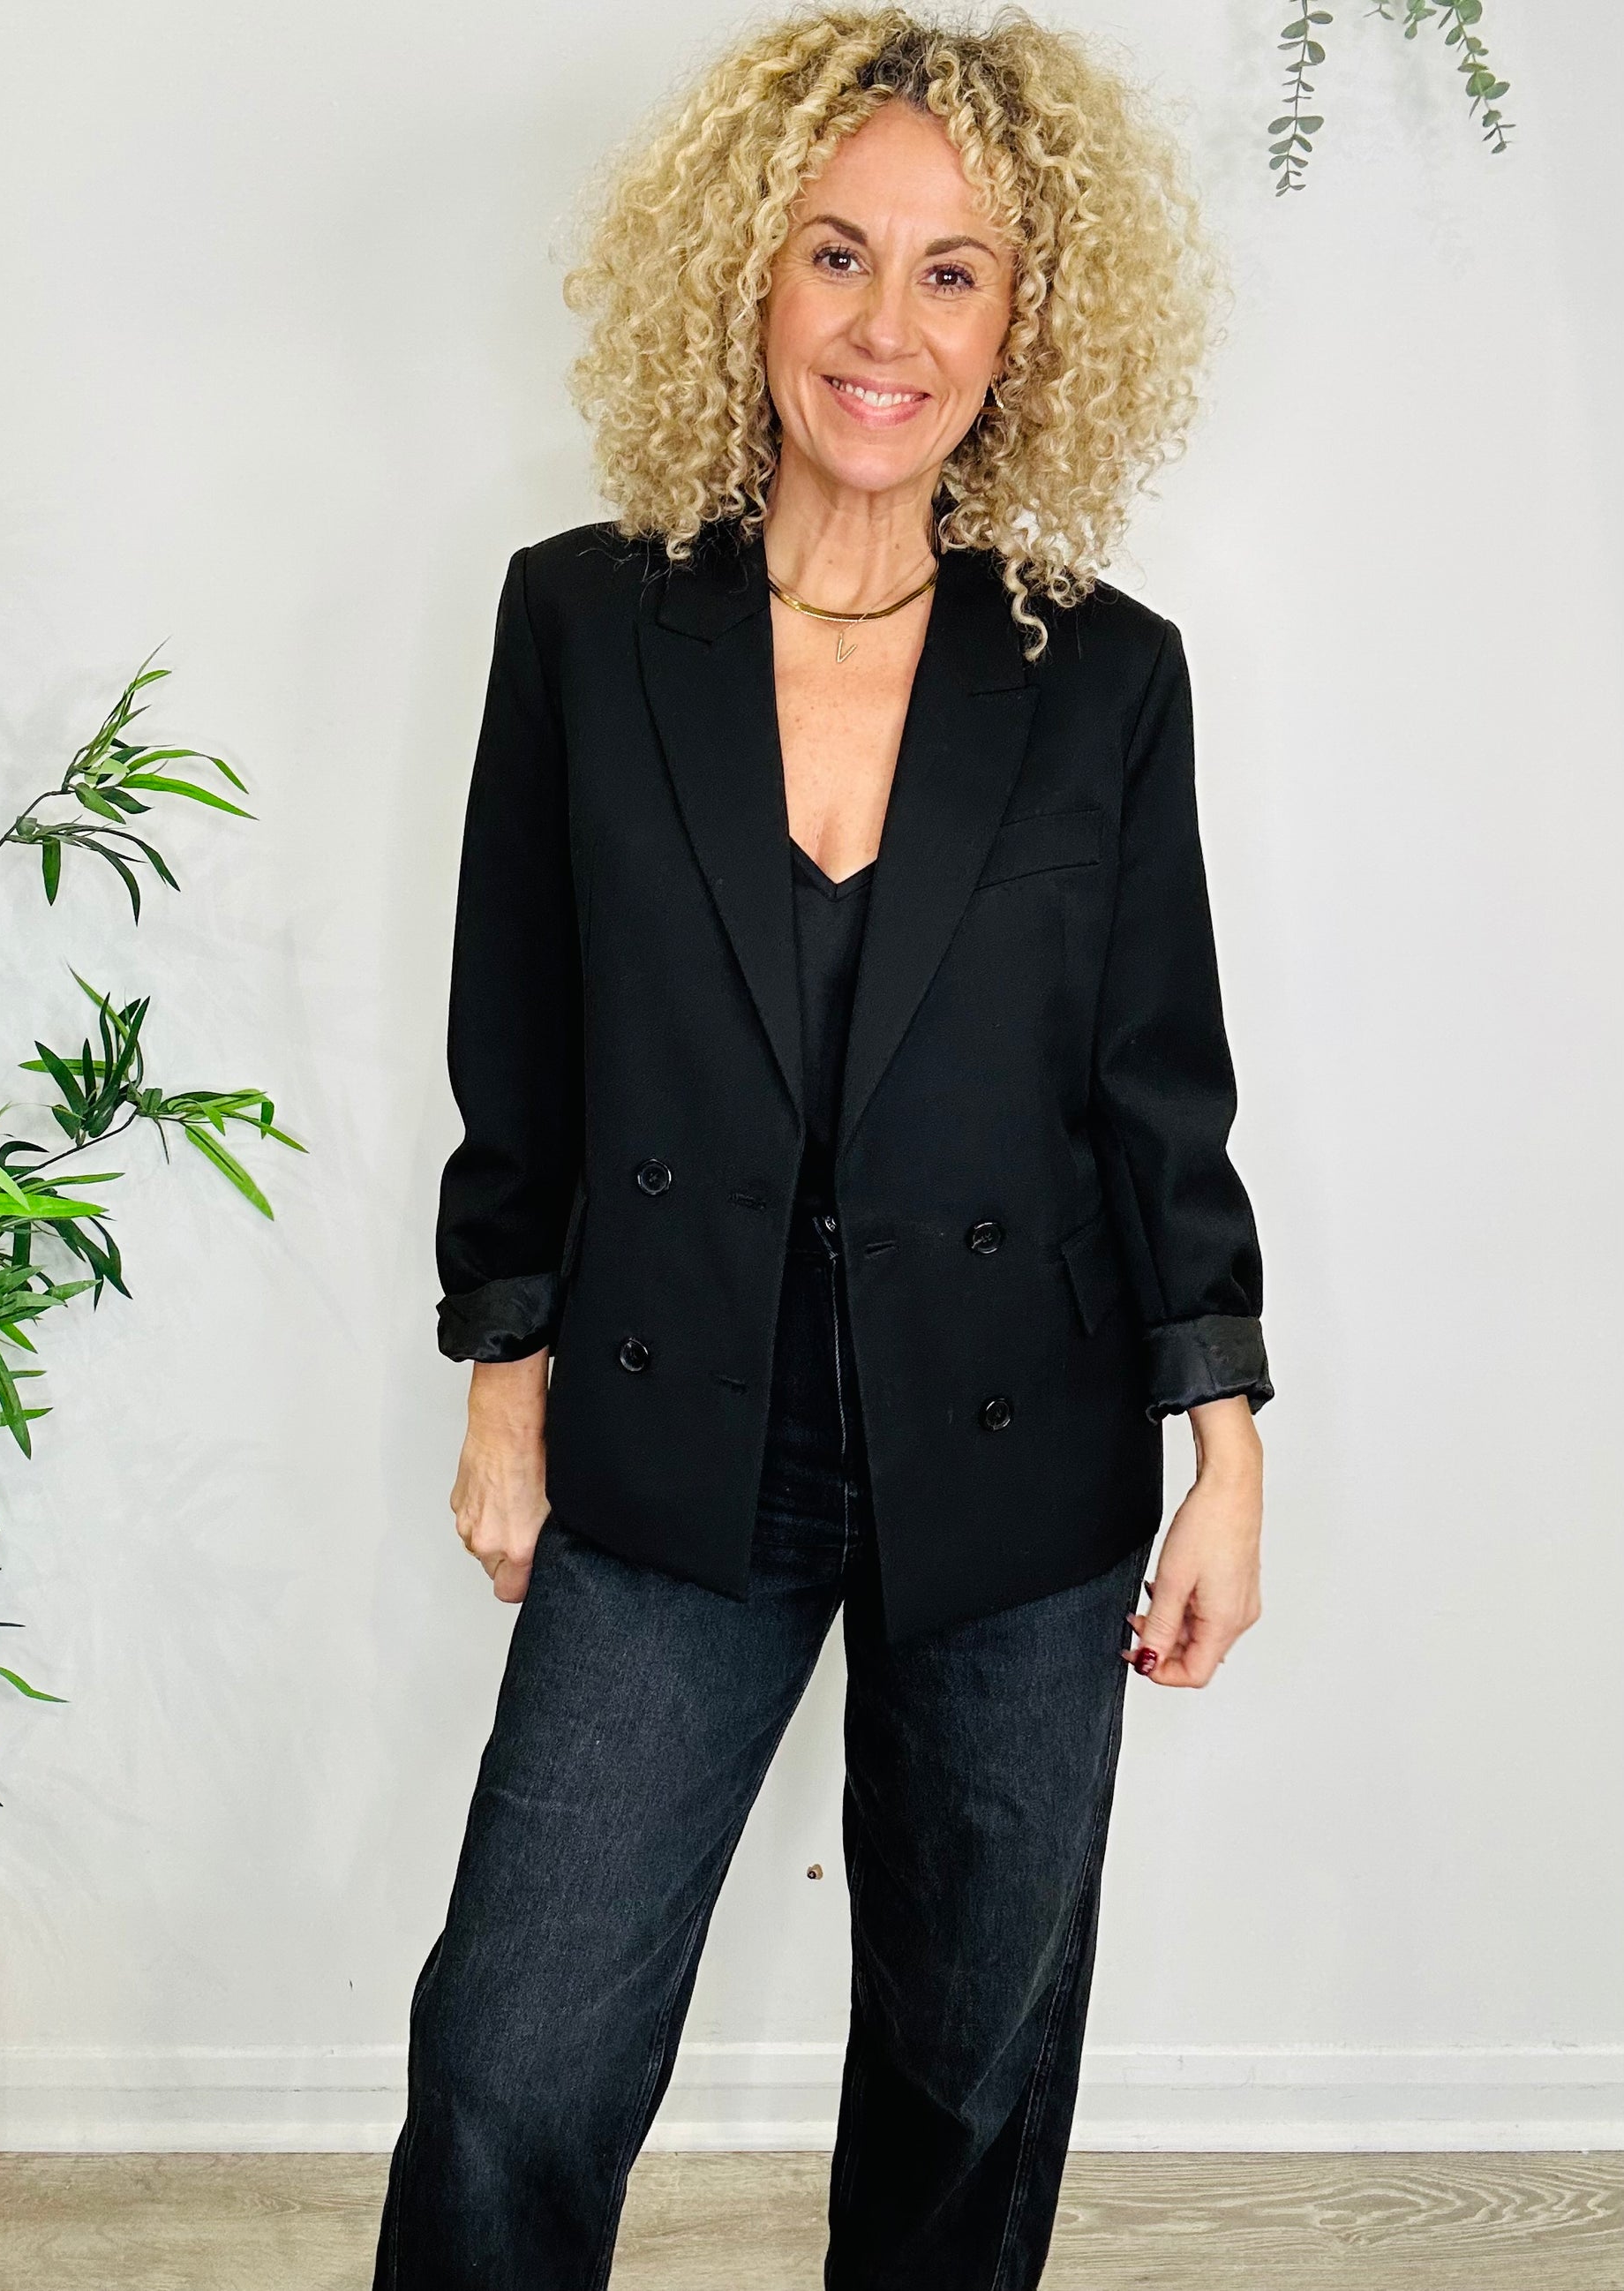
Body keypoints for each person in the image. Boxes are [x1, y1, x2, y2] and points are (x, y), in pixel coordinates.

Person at [373, 8, 1272, 2287]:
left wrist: (1225, 1451)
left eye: (953, 272)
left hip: (1020, 1445)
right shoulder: (584, 621)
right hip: (679, 1421)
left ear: (1025, 320)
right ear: (748, 274)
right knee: (509, 2064)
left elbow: (1158, 1090)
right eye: (839, 254)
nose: (888, 329)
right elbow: (518, 1040)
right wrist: (502, 1385)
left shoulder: (1103, 676)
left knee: (967, 2081)